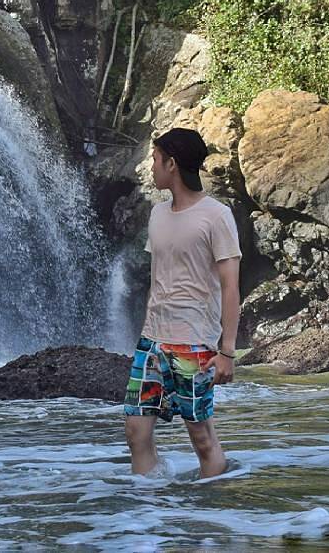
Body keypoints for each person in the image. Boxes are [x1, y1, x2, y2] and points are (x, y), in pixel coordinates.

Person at [123, 127, 242, 479]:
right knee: (135, 432)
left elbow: (231, 286)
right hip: (152, 341)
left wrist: (228, 351)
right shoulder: (157, 214)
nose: (152, 167)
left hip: (194, 344)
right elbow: (159, 277)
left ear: (172, 163)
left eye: (156, 160)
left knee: (201, 438)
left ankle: (210, 513)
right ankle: (150, 512)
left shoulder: (216, 215)